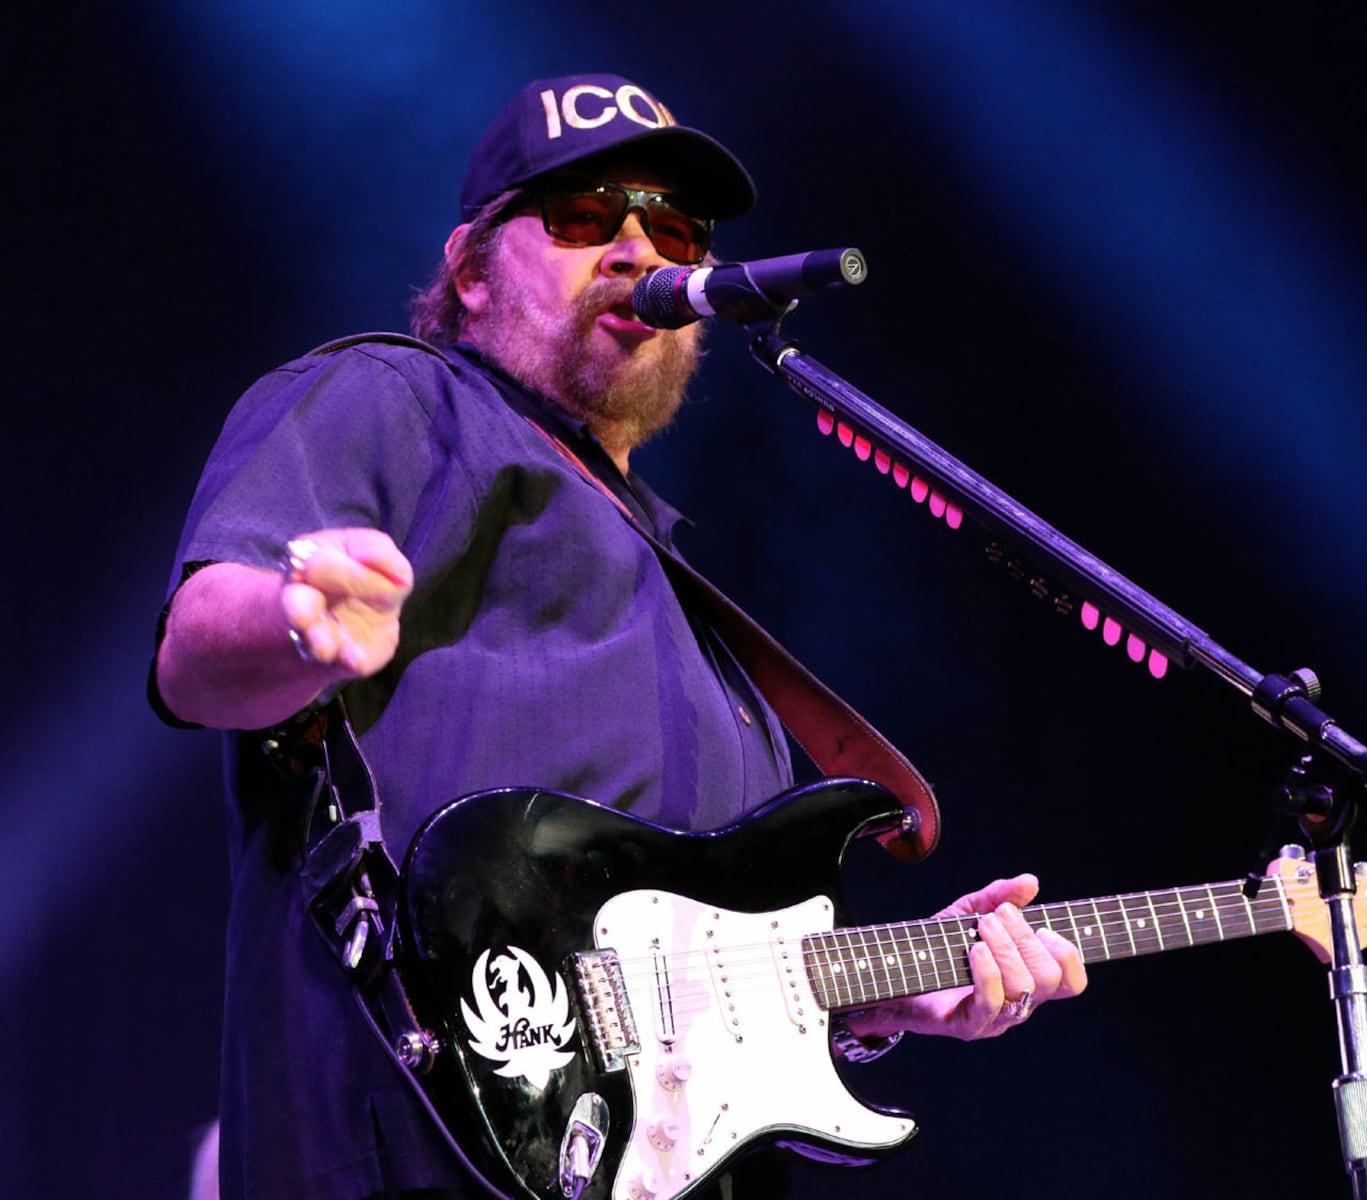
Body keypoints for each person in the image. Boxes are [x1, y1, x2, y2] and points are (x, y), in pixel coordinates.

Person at [151, 72, 1087, 1200]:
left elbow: (673, 977)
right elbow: (201, 650)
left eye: (674, 226)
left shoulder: (685, 604)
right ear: (470, 271)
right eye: (586, 216)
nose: (639, 247)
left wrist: (891, 992)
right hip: (413, 1149)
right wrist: (299, 622)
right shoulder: (397, 401)